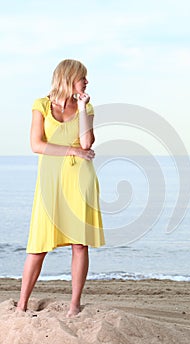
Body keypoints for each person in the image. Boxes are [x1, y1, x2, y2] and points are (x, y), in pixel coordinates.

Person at [17, 59, 105, 317]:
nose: (87, 82)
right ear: (68, 78)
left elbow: (87, 142)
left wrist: (81, 108)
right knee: (38, 245)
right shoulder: (41, 105)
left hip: (80, 179)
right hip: (50, 182)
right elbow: (37, 144)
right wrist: (71, 150)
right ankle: (21, 304)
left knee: (80, 244)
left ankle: (74, 305)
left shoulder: (86, 109)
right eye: (83, 78)